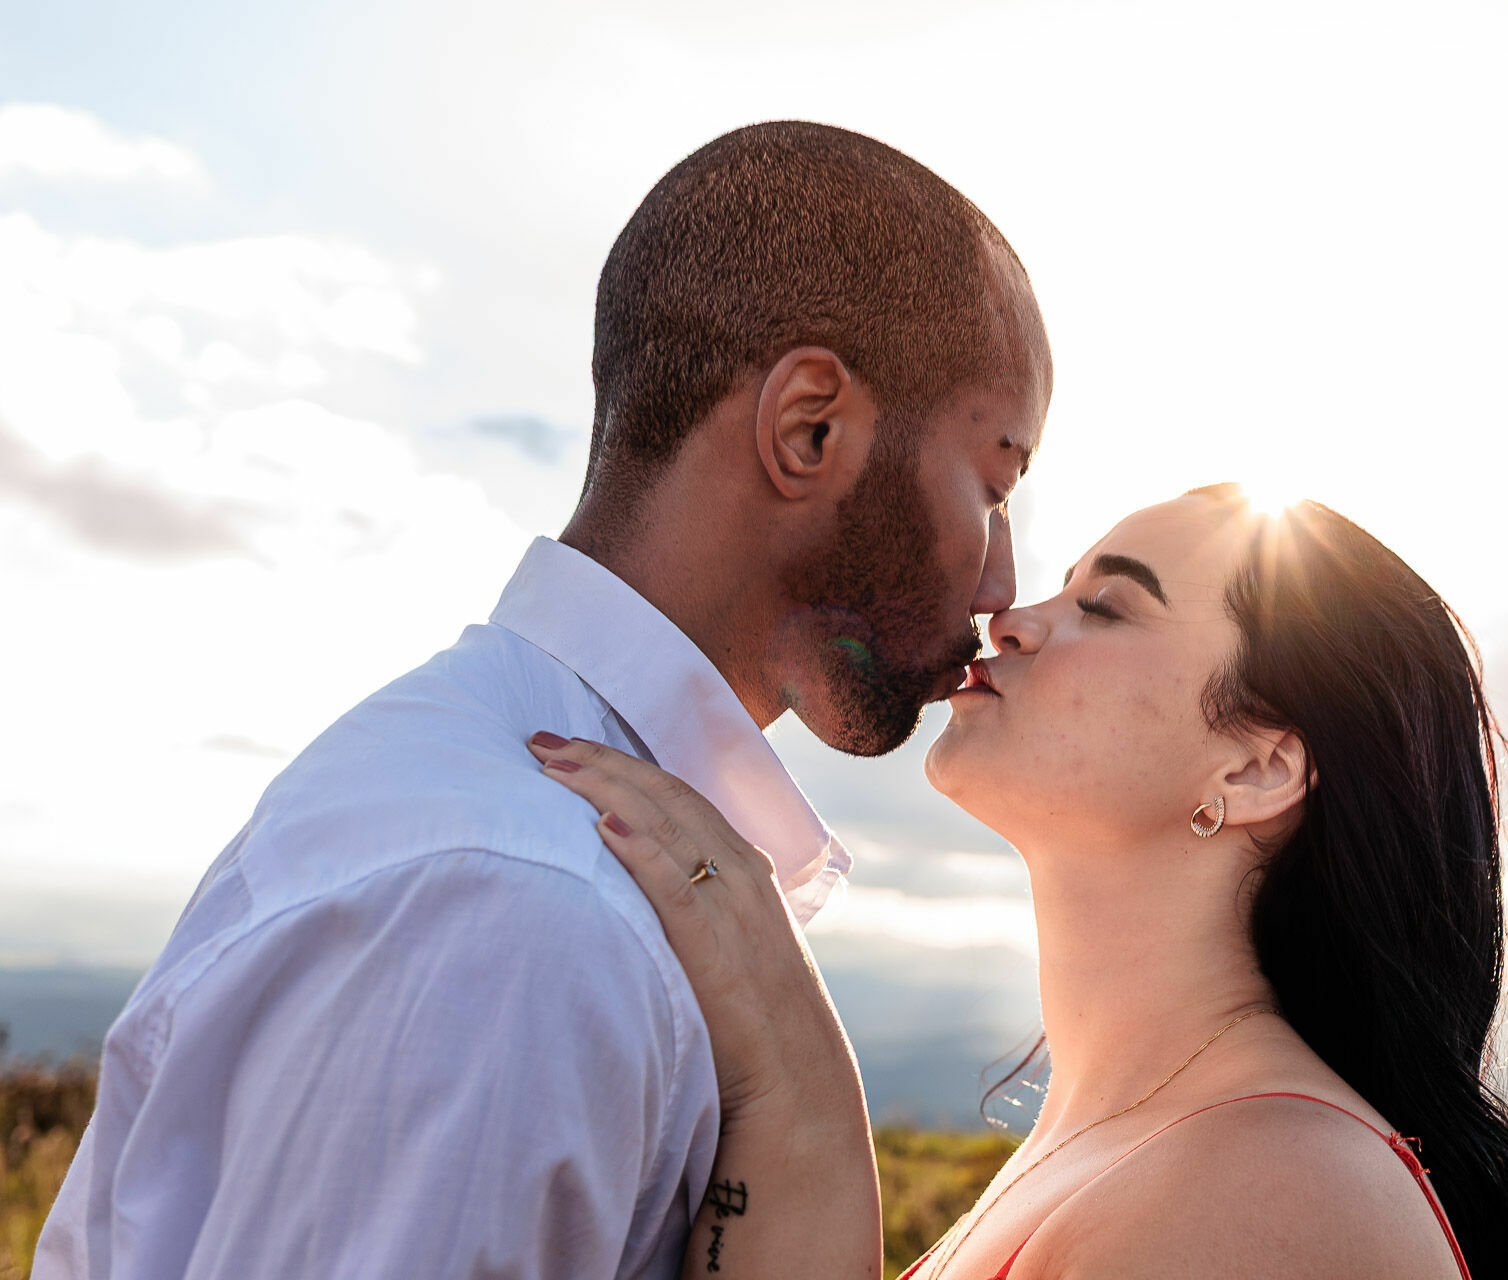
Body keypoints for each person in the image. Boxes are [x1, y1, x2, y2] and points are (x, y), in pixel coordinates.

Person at [34, 121, 1049, 1279]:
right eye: (996, 482)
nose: (1003, 581)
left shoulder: (522, 850)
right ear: (808, 425)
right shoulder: (520, 915)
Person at [529, 486, 1508, 1279]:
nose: (1009, 618)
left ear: (1255, 768)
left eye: (1106, 604)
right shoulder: (1142, 1136)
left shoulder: (1287, 1188)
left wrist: (798, 1079)